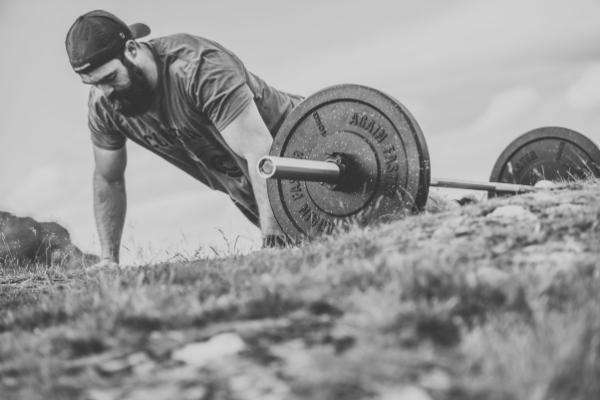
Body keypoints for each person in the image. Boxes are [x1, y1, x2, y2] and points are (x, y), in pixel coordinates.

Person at [65, 10, 303, 268]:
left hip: (312, 151)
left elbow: (260, 153)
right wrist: (109, 260)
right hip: (260, 197)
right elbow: (108, 177)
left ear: (132, 49)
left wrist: (273, 243)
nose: (105, 92)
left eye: (110, 78)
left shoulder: (199, 68)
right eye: (94, 84)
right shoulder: (104, 106)